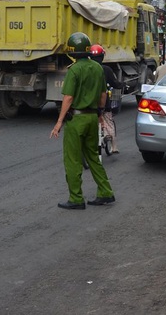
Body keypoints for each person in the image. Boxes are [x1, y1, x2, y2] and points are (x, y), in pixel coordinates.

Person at [49, 32, 116, 210]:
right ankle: (105, 192)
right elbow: (103, 95)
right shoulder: (97, 68)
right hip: (92, 118)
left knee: (73, 160)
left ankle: (76, 198)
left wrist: (59, 122)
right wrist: (100, 114)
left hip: (76, 120)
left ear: (72, 51)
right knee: (93, 157)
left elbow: (68, 98)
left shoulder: (74, 70)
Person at [90, 44, 121, 154]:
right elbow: (115, 83)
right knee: (108, 120)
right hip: (103, 103)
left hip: (89, 103)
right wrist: (122, 85)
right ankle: (114, 146)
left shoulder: (87, 69)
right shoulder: (106, 69)